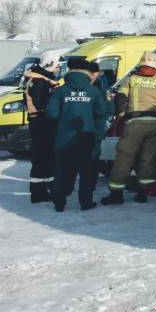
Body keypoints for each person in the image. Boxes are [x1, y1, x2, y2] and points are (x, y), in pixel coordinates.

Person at [102, 52, 156, 205]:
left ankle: (116, 194)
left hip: (134, 123)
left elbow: (121, 98)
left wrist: (121, 114)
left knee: (124, 157)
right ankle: (143, 193)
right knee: (148, 158)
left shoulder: (131, 79)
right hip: (155, 125)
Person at [46, 58, 107, 212]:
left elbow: (52, 114)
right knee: (86, 172)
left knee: (62, 171)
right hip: (86, 138)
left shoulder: (60, 91)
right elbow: (102, 112)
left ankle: (59, 203)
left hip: (63, 139)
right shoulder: (94, 91)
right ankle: (85, 202)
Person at [25, 56, 61, 202]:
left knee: (45, 158)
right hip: (41, 123)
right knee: (42, 158)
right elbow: (42, 104)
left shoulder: (38, 79)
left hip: (39, 123)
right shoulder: (40, 82)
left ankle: (43, 189)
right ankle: (39, 193)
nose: (58, 69)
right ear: (49, 65)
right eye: (56, 66)